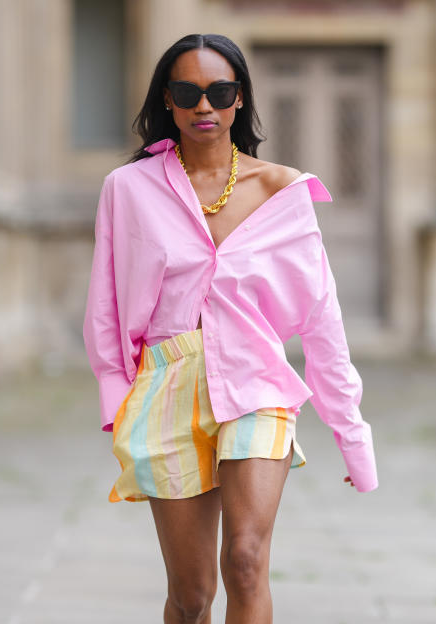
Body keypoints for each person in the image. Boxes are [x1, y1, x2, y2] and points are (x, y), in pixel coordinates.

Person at [83, 33, 378, 624]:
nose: (204, 106)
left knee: (245, 559)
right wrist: (118, 399)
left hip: (257, 381)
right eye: (187, 92)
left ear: (240, 98)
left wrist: (352, 433)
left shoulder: (282, 191)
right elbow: (105, 307)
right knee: (191, 598)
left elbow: (322, 317)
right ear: (166, 100)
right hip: (166, 385)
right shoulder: (128, 189)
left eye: (219, 91)